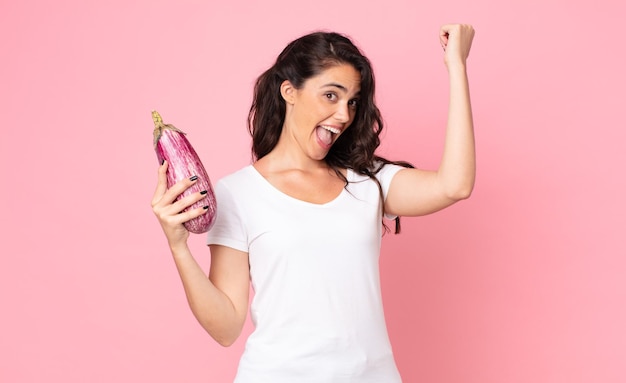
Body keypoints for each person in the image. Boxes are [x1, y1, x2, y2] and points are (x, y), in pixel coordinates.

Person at [152, 24, 476, 382]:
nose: (344, 115)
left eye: (352, 101)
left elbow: (455, 185)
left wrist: (456, 66)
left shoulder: (368, 180)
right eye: (331, 96)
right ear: (289, 91)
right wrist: (179, 246)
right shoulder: (238, 193)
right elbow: (226, 327)